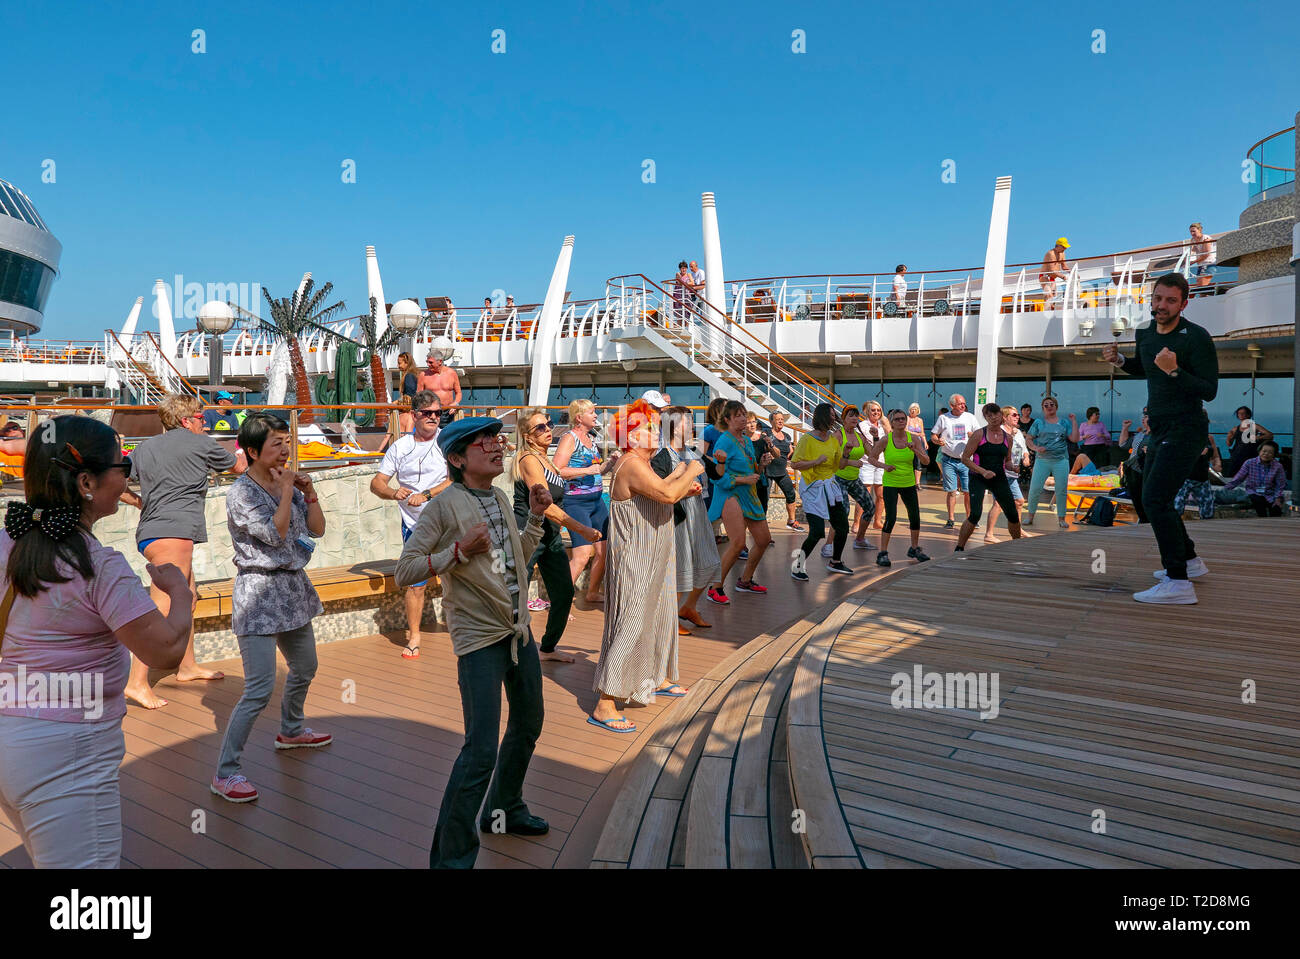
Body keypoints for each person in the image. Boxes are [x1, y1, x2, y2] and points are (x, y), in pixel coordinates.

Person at [0, 416, 191, 867]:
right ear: (87, 481)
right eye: (121, 464)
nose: (127, 474)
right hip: (69, 751)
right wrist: (179, 592)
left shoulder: (6, 543)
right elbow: (165, 650)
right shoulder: (98, 566)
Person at [394, 417, 553, 866]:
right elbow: (405, 570)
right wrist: (457, 552)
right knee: (480, 749)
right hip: (480, 640)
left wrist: (536, 520)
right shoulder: (445, 508)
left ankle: (504, 810)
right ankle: (451, 858)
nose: (495, 444)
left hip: (518, 632)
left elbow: (513, 559)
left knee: (528, 724)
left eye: (496, 438)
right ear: (457, 459)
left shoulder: (500, 497)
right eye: (481, 441)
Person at [211, 414, 331, 803]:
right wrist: (284, 492)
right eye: (277, 443)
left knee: (306, 666)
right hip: (259, 592)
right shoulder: (241, 494)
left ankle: (292, 729)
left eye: (286, 440)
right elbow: (276, 533)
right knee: (259, 687)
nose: (285, 449)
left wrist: (308, 492)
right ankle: (226, 772)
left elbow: (317, 530)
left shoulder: (288, 483)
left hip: (292, 588)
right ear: (252, 451)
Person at [123, 393, 245, 709]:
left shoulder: (144, 448)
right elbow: (240, 468)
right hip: (173, 534)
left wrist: (138, 502)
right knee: (162, 607)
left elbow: (115, 479)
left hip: (153, 533)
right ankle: (136, 683)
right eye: (200, 416)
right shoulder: (200, 444)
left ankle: (186, 666)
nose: (205, 421)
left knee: (186, 599)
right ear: (184, 420)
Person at [1103, 272, 1219, 604]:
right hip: (1159, 428)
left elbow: (1209, 391)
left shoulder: (1196, 337)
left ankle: (1178, 582)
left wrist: (1175, 371)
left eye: (1170, 300)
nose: (1162, 305)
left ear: (1184, 303)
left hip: (1186, 428)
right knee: (1146, 495)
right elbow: (1146, 367)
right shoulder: (1146, 334)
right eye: (1157, 298)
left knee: (1155, 500)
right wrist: (1121, 360)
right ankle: (1190, 562)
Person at [590, 402, 704, 733]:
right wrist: (690, 472)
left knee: (659, 616)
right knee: (633, 620)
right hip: (635, 558)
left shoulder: (643, 463)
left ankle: (650, 678)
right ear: (633, 434)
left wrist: (683, 481)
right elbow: (666, 495)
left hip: (652, 553)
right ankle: (605, 701)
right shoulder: (630, 464)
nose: (656, 433)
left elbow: (661, 493)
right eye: (650, 428)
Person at [512, 408, 604, 663]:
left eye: (549, 423)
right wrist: (581, 529)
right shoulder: (528, 460)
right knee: (516, 596)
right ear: (528, 437)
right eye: (540, 427)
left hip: (549, 536)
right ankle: (514, 650)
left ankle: (548, 648)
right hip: (528, 535)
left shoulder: (548, 458)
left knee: (563, 593)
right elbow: (546, 506)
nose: (548, 429)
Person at [370, 390, 451, 658]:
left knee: (458, 575)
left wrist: (427, 494)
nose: (433, 418)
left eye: (438, 413)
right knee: (416, 583)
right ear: (414, 415)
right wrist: (394, 493)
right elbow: (376, 483)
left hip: (446, 519)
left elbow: (455, 480)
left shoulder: (447, 442)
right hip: (414, 524)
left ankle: (461, 626)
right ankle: (414, 636)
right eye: (427, 413)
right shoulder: (400, 447)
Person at [658, 406, 722, 634]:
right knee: (680, 567)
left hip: (697, 511)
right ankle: (669, 618)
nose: (693, 425)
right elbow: (660, 490)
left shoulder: (692, 451)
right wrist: (687, 487)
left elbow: (716, 474)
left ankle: (689, 607)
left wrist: (722, 461)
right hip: (678, 514)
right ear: (673, 427)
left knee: (710, 562)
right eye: (687, 421)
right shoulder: (662, 454)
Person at [708, 401, 775, 603]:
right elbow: (716, 476)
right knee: (738, 544)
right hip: (731, 495)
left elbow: (752, 471)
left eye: (744, 415)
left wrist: (761, 466)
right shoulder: (724, 441)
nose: (743, 419)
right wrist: (742, 480)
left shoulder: (746, 441)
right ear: (727, 419)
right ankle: (715, 587)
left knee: (763, 540)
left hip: (750, 494)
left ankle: (745, 580)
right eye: (738, 415)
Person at [553, 398, 617, 605]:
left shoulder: (591, 438)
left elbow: (598, 470)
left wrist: (610, 463)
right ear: (579, 417)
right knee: (581, 556)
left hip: (597, 501)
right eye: (592, 412)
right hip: (577, 503)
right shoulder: (569, 439)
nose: (596, 415)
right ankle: (561, 603)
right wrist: (586, 470)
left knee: (604, 551)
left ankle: (592, 592)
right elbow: (558, 470)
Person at [790, 402, 852, 580]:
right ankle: (797, 566)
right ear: (823, 417)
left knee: (842, 527)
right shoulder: (807, 439)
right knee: (817, 532)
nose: (834, 418)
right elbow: (795, 463)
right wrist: (815, 462)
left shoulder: (833, 439)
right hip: (813, 489)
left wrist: (846, 453)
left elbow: (838, 466)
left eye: (834, 415)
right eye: (832, 415)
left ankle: (836, 561)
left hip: (830, 487)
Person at [866, 409, 931, 566]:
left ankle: (914, 548)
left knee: (914, 516)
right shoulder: (885, 440)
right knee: (891, 518)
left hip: (908, 483)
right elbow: (871, 458)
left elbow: (927, 461)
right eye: (897, 419)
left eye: (903, 419)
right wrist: (884, 466)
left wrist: (914, 449)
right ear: (892, 423)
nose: (901, 421)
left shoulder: (914, 439)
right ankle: (882, 553)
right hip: (891, 483)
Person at [954, 404, 1022, 551]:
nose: (993, 418)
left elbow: (1007, 460)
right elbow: (965, 458)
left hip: (999, 477)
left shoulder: (1008, 438)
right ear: (985, 418)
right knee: (975, 515)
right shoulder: (979, 434)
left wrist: (1013, 467)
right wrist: (983, 471)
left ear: (1001, 416)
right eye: (989, 415)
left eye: (995, 414)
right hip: (978, 477)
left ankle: (1017, 546)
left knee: (1012, 513)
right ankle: (959, 547)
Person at [1023, 397, 1079, 529]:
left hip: (1061, 461)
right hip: (1042, 460)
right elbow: (1029, 439)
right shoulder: (1038, 422)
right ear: (1043, 408)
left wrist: (1074, 421)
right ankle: (1030, 516)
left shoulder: (1064, 423)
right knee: (1035, 489)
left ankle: (1061, 518)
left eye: (1052, 404)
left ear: (1056, 407)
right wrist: (1036, 448)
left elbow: (1075, 438)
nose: (1049, 406)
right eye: (1046, 405)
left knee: (1061, 490)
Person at [830, 405, 873, 557]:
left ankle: (860, 539)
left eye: (856, 416)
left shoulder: (860, 436)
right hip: (838, 478)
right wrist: (849, 461)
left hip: (853, 479)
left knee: (870, 507)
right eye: (851, 416)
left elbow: (873, 453)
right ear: (843, 419)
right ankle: (829, 545)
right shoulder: (837, 435)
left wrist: (875, 437)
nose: (855, 418)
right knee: (843, 513)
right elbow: (832, 461)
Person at [931, 394, 979, 529]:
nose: (963, 405)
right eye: (960, 404)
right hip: (949, 460)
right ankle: (951, 519)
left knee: (968, 491)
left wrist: (973, 436)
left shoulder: (970, 417)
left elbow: (979, 435)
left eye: (964, 403)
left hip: (966, 461)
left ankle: (971, 519)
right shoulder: (944, 418)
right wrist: (937, 440)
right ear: (952, 405)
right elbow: (934, 435)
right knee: (951, 491)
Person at [985, 406, 1030, 543]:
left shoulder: (1017, 433)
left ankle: (1018, 528)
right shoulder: (1000, 432)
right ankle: (989, 534)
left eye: (1017, 415)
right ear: (1005, 418)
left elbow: (1024, 448)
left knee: (1019, 501)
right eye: (1014, 415)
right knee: (998, 503)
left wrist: (1026, 457)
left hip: (1012, 474)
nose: (1017, 417)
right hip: (1001, 473)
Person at [1222, 440, 1287, 516]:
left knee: (1276, 509)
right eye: (1264, 451)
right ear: (1259, 451)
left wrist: (1277, 498)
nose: (1266, 454)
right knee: (1258, 501)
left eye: (1270, 452)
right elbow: (1238, 478)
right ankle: (1262, 522)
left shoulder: (1278, 466)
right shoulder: (1249, 463)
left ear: (1274, 454)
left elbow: (1280, 485)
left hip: (1270, 494)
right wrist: (1226, 489)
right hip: (1254, 492)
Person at [765, 411, 801, 531]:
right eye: (777, 419)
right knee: (763, 498)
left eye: (782, 419)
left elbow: (790, 451)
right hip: (767, 471)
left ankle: (791, 521)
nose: (780, 421)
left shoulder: (787, 436)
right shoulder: (767, 433)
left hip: (781, 471)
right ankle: (762, 524)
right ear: (771, 421)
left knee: (791, 494)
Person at [700, 397, 729, 541]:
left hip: (727, 475)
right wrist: (719, 462)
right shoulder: (709, 430)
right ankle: (709, 538)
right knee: (711, 506)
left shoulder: (730, 430)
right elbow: (700, 454)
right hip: (713, 475)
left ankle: (717, 535)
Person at [857, 401, 887, 539]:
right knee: (865, 495)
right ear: (867, 412)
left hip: (880, 463)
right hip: (867, 463)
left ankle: (877, 521)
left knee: (881, 495)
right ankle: (857, 523)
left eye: (878, 410)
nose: (876, 413)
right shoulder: (862, 426)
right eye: (873, 410)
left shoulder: (883, 426)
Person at [1173, 435, 1221, 520]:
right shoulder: (1182, 436)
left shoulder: (1208, 437)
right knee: (1177, 507)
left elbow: (1215, 456)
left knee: (1207, 510)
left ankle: (1206, 528)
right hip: (1184, 478)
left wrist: (1217, 464)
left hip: (1202, 479)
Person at [1224, 405, 1274, 479]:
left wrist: (1258, 437)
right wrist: (1229, 437)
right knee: (1232, 475)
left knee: (1250, 476)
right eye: (1239, 413)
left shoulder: (1254, 426)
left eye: (1243, 413)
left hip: (1250, 455)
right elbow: (1229, 444)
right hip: (1236, 455)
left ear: (1248, 415)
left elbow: (1270, 435)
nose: (1240, 415)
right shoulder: (1235, 429)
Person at [416, 350, 461, 425]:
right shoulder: (423, 375)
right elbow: (418, 396)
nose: (428, 364)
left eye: (430, 362)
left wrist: (455, 404)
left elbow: (458, 393)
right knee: (432, 435)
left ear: (440, 362)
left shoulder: (451, 373)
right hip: (430, 412)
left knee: (448, 435)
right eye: (427, 362)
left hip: (448, 413)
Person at [746, 411, 775, 516]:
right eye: (749, 422)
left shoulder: (762, 439)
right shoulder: (741, 441)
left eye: (754, 421)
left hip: (761, 479)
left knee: (762, 510)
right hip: (746, 480)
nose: (752, 424)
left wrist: (770, 446)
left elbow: (777, 455)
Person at [1040, 238, 1069, 309]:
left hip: (1053, 278)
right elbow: (1052, 270)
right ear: (1058, 246)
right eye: (1064, 247)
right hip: (1045, 277)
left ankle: (1050, 312)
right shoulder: (1051, 254)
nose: (1065, 248)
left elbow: (1064, 266)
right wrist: (1063, 277)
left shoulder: (1062, 253)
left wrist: (1073, 273)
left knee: (1054, 298)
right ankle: (1045, 312)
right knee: (1049, 295)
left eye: (1066, 247)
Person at [1189, 222, 1216, 289]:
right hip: (1200, 265)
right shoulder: (1193, 240)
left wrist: (1193, 262)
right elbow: (1192, 251)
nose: (1192, 233)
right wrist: (1187, 259)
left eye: (1194, 231)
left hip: (1208, 264)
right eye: (1191, 231)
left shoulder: (1206, 238)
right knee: (1201, 288)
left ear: (1199, 230)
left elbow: (1206, 254)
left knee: (1202, 287)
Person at [906, 403, 926, 486]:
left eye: (915, 409)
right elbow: (906, 430)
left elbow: (922, 433)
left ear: (918, 410)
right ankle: (908, 481)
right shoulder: (907, 418)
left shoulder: (920, 420)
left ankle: (917, 483)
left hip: (918, 444)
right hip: (908, 443)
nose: (913, 410)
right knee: (909, 462)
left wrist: (925, 442)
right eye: (912, 409)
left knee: (918, 463)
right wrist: (917, 434)